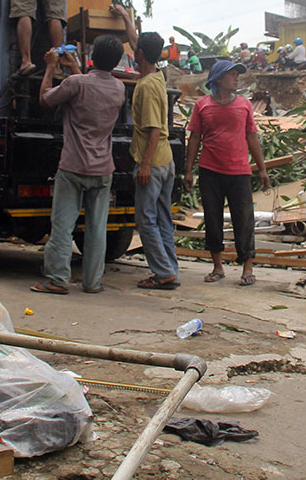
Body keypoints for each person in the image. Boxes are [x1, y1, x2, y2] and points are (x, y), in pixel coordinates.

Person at [32, 34, 126, 295]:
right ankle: (93, 282)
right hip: (103, 168)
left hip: (73, 166)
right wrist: (74, 67)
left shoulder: (76, 83)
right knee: (97, 228)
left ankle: (57, 279)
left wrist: (51, 66)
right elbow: (90, 83)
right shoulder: (118, 89)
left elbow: (46, 98)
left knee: (63, 225)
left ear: (92, 57)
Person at [184, 60, 270, 286]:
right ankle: (218, 267)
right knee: (213, 220)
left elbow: (252, 136)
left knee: (244, 220)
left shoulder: (244, 105)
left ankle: (247, 267)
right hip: (210, 171)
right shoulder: (202, 105)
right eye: (232, 74)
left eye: (237, 74)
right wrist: (188, 171)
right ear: (218, 79)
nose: (236, 78)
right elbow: (194, 138)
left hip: (239, 171)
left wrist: (262, 169)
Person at [127, 26, 179, 290]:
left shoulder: (146, 86)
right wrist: (126, 18)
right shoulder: (159, 77)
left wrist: (144, 163)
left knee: (145, 220)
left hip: (153, 161)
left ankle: (163, 271)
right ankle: (170, 270)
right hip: (166, 161)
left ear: (140, 54)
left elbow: (154, 128)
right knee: (162, 218)